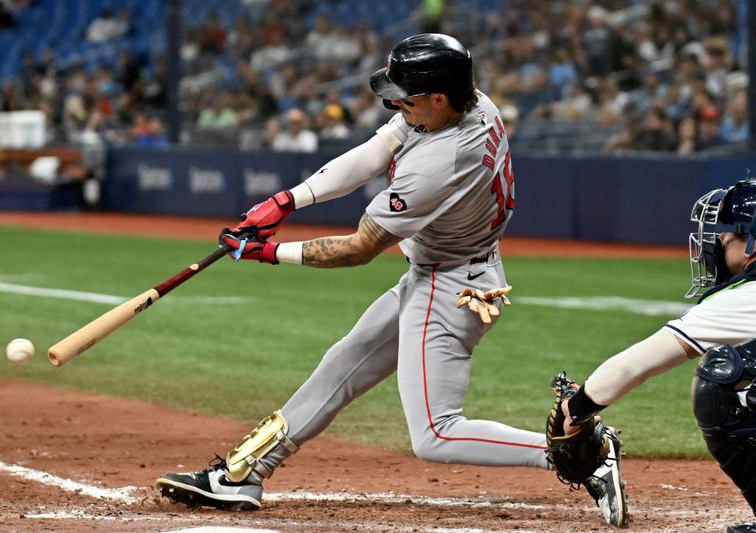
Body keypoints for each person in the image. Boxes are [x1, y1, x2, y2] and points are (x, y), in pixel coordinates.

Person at [155, 33, 624, 527]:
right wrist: (288, 201)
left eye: (407, 96)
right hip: (446, 271)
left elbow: (359, 248)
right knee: (341, 365)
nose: (396, 103)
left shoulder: (438, 164)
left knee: (436, 434)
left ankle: (580, 453)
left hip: (450, 288)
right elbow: (377, 149)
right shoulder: (470, 102)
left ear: (438, 98)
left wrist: (267, 252)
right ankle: (242, 473)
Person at [556, 178, 756, 533]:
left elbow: (639, 363)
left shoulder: (741, 298)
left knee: (724, 379)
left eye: (728, 234)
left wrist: (577, 407)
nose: (718, 241)